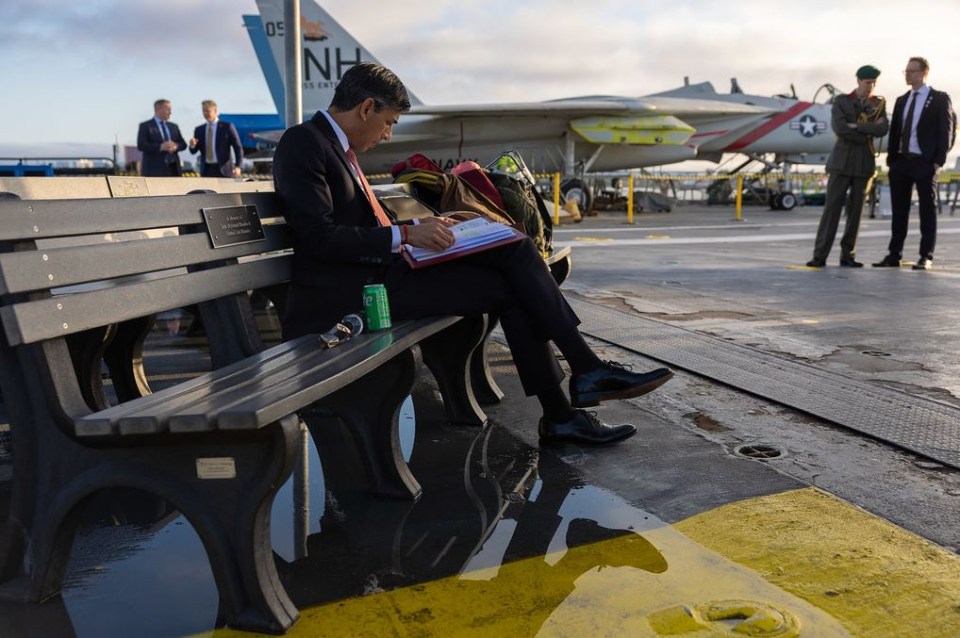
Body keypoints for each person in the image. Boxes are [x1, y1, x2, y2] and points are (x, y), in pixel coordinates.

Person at [272, 62, 673, 446]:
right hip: (344, 299)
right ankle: (581, 381)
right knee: (515, 259)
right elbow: (317, 239)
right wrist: (407, 234)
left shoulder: (335, 147)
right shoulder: (304, 143)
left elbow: (359, 224)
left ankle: (566, 410)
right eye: (389, 122)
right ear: (366, 109)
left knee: (512, 261)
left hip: (380, 277)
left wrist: (441, 228)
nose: (388, 134)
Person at [873, 57, 955, 271]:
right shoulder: (902, 100)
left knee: (927, 210)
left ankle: (925, 256)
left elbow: (945, 132)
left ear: (923, 73)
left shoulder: (938, 98)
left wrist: (937, 162)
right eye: (906, 71)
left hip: (924, 163)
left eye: (911, 71)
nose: (907, 74)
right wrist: (891, 159)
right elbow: (896, 132)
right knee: (899, 211)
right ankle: (894, 254)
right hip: (901, 162)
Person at [806, 65, 888, 268]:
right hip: (841, 164)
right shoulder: (841, 102)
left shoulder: (878, 104)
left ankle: (848, 256)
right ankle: (820, 256)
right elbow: (841, 129)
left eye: (874, 83)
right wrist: (867, 131)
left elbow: (883, 129)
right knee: (831, 210)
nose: (871, 86)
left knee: (856, 213)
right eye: (868, 82)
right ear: (859, 81)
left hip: (864, 164)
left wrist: (857, 127)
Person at [189, 100, 245, 177]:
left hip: (224, 170)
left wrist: (238, 166)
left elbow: (237, 147)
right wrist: (192, 145)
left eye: (208, 111)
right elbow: (193, 151)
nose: (205, 113)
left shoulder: (227, 127)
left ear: (215, 111)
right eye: (204, 111)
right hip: (206, 170)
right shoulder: (199, 130)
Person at [136, 99, 187, 176]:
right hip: (153, 170)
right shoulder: (145, 126)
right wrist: (160, 147)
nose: (170, 112)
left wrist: (175, 147)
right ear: (158, 109)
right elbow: (141, 145)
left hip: (173, 170)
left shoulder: (174, 127)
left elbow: (183, 144)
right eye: (168, 109)